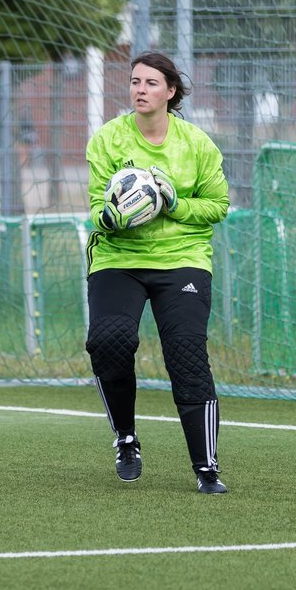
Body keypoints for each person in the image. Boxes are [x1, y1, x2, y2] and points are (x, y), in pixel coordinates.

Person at [85, 52, 230, 494]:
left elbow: (218, 205)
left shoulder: (197, 144)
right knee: (109, 340)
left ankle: (206, 468)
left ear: (170, 91)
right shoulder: (108, 140)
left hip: (182, 259)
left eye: (150, 82)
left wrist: (172, 203)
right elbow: (97, 209)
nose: (140, 89)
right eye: (134, 82)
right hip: (119, 258)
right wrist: (114, 217)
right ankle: (126, 439)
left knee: (186, 355)